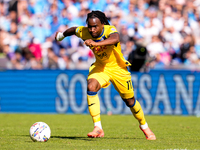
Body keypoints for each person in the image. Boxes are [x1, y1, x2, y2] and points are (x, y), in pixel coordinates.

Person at [55, 10, 156, 140]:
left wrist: (95, 43)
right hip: (101, 66)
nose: (92, 30)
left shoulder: (110, 30)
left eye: (95, 26)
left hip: (118, 68)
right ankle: (98, 127)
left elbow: (115, 39)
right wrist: (61, 36)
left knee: (130, 101)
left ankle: (144, 126)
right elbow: (74, 30)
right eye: (90, 26)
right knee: (91, 86)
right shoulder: (84, 32)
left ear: (102, 24)